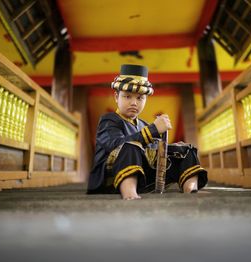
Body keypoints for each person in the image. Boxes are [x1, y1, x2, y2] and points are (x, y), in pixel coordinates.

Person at [87, 64, 207, 200]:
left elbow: (151, 153)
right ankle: (129, 192)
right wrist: (153, 130)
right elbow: (115, 145)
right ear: (116, 97)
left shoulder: (144, 124)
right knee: (130, 146)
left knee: (184, 150)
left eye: (139, 98)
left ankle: (190, 188)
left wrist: (169, 149)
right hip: (111, 179)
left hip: (142, 177)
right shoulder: (108, 120)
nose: (134, 103)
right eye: (127, 96)